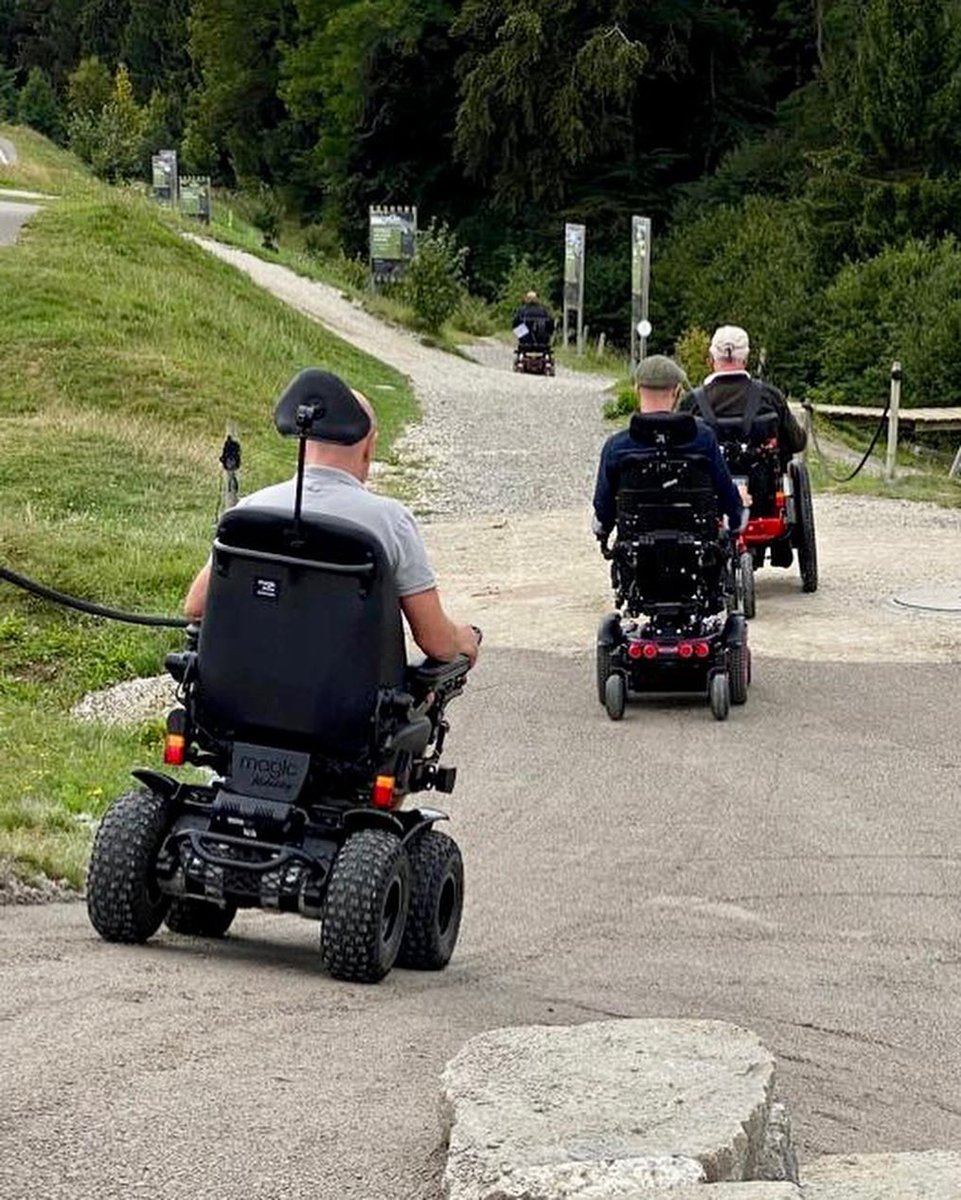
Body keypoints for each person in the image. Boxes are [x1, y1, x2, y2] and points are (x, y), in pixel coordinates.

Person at [183, 369, 480, 667]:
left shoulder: (248, 513)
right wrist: (463, 638)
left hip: (245, 701)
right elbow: (436, 642)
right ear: (369, 446)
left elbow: (196, 607)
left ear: (306, 439)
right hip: (352, 709)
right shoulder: (391, 522)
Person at [592, 354, 746, 541]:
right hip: (698, 550)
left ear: (637, 390)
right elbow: (726, 494)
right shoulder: (703, 440)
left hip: (637, 550)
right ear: (677, 392)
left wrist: (604, 529)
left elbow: (603, 506)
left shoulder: (617, 446)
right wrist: (736, 518)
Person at [680, 325, 806, 465]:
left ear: (711, 358)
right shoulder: (771, 397)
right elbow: (797, 442)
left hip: (707, 484)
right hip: (762, 483)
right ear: (746, 358)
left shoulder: (691, 402)